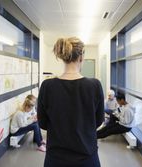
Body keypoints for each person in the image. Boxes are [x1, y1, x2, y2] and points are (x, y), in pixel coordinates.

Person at [37, 37, 104, 167]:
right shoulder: (94, 85)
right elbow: (99, 121)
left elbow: (43, 123)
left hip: (55, 159)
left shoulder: (47, 86)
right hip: (87, 158)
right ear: (81, 57)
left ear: (63, 57)